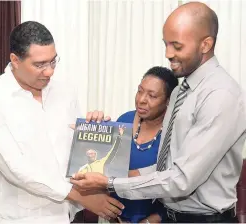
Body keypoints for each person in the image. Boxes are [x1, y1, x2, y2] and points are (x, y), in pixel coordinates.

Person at [71, 2, 246, 223]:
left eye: (177, 46)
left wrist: (110, 182)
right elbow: (172, 164)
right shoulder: (181, 92)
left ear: (205, 44)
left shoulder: (220, 95)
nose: (168, 53)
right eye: (166, 44)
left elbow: (182, 179)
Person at [0, 21, 123, 223]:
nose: (49, 71)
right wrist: (79, 196)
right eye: (40, 65)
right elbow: (15, 168)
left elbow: (76, 152)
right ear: (15, 60)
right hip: (25, 217)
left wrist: (95, 131)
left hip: (70, 213)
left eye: (53, 61)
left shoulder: (65, 91)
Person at [107, 66, 178, 224]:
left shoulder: (174, 134)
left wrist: (149, 221)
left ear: (168, 101)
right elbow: (107, 170)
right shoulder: (124, 120)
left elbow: (178, 184)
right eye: (140, 91)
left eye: (152, 95)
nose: (141, 99)